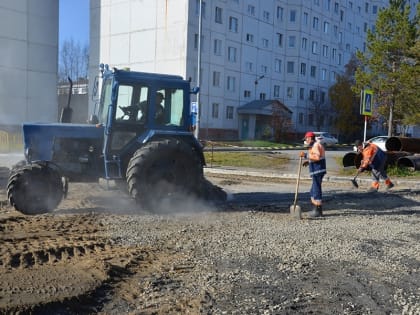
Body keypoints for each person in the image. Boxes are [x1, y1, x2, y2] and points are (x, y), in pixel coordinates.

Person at [301, 131, 326, 217]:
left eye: (306, 139)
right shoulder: (314, 145)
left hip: (318, 170)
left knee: (316, 189)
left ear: (310, 138)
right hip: (316, 170)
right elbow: (314, 157)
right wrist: (308, 161)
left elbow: (317, 157)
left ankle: (318, 210)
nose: (306, 141)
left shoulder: (316, 145)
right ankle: (316, 208)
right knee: (313, 190)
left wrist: (305, 156)